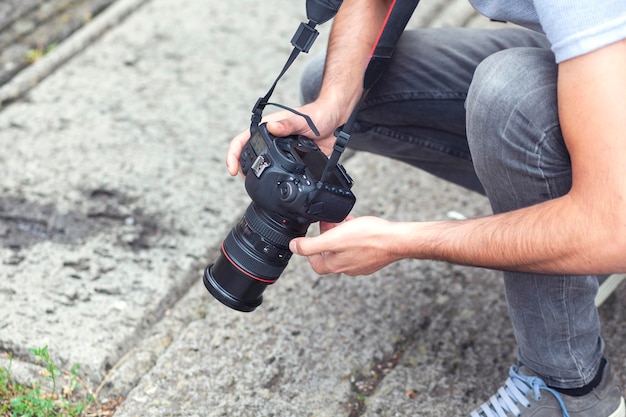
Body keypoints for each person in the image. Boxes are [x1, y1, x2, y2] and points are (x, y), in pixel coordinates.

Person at [226, 0, 626, 416]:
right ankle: (568, 224)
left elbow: (613, 228)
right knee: (343, 84)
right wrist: (331, 106)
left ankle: (573, 391)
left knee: (510, 98)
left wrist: (402, 240)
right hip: (599, 61)